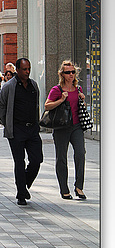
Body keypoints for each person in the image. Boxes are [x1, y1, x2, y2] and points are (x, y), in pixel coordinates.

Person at [0, 58, 43, 206]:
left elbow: (36, 105)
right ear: (17, 70)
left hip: (32, 129)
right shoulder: (10, 86)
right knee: (19, 161)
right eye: (24, 69)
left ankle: (24, 186)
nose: (27, 72)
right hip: (17, 130)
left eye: (29, 69)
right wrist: (6, 122)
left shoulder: (33, 85)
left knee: (36, 160)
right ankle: (21, 194)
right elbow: (1, 103)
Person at [44, 60, 87, 200]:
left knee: (80, 154)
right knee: (61, 158)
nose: (71, 75)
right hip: (61, 127)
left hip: (76, 127)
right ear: (62, 74)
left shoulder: (78, 89)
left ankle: (79, 186)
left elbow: (80, 108)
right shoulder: (57, 90)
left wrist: (83, 101)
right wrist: (61, 100)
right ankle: (64, 189)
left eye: (73, 72)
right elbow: (47, 106)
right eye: (68, 72)